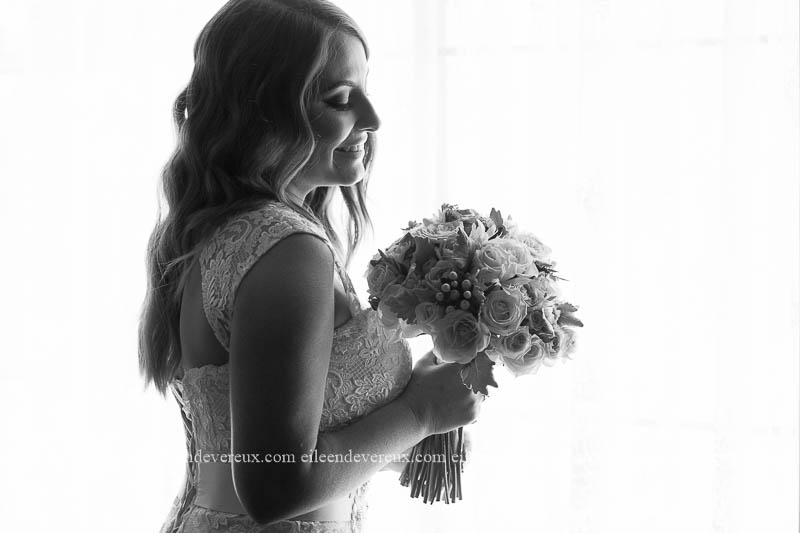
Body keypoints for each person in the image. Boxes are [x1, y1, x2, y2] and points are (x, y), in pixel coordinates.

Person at [138, 1, 484, 531]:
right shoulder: (287, 248)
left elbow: (278, 448)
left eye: (366, 90)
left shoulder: (221, 230)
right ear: (263, 111)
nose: (372, 119)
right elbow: (275, 484)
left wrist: (423, 424)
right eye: (342, 98)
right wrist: (419, 413)